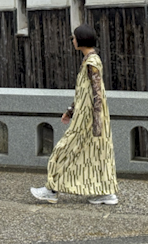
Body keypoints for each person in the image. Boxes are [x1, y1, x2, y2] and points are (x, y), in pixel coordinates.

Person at [30, 24, 119, 205]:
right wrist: (70, 111)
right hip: (88, 117)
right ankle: (105, 193)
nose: (73, 40)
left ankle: (51, 190)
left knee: (64, 151)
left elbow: (97, 93)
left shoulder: (92, 63)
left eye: (74, 37)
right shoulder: (90, 61)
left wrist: (96, 124)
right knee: (94, 154)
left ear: (81, 40)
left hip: (88, 120)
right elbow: (84, 92)